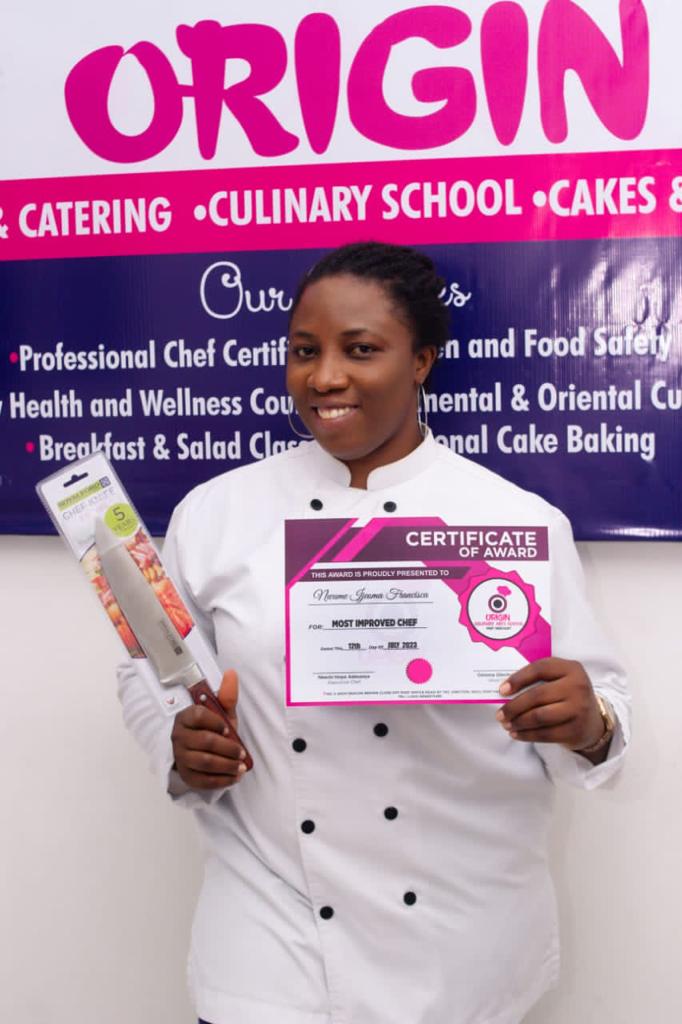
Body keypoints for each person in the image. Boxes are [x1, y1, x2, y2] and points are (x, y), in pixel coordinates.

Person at [118, 242, 629, 1024]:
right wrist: (178, 743)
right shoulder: (217, 513)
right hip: (269, 947)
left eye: (360, 350)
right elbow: (149, 669)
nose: (324, 377)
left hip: (461, 951)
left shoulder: (513, 522)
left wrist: (588, 725)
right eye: (304, 351)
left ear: (421, 360)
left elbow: (603, 714)